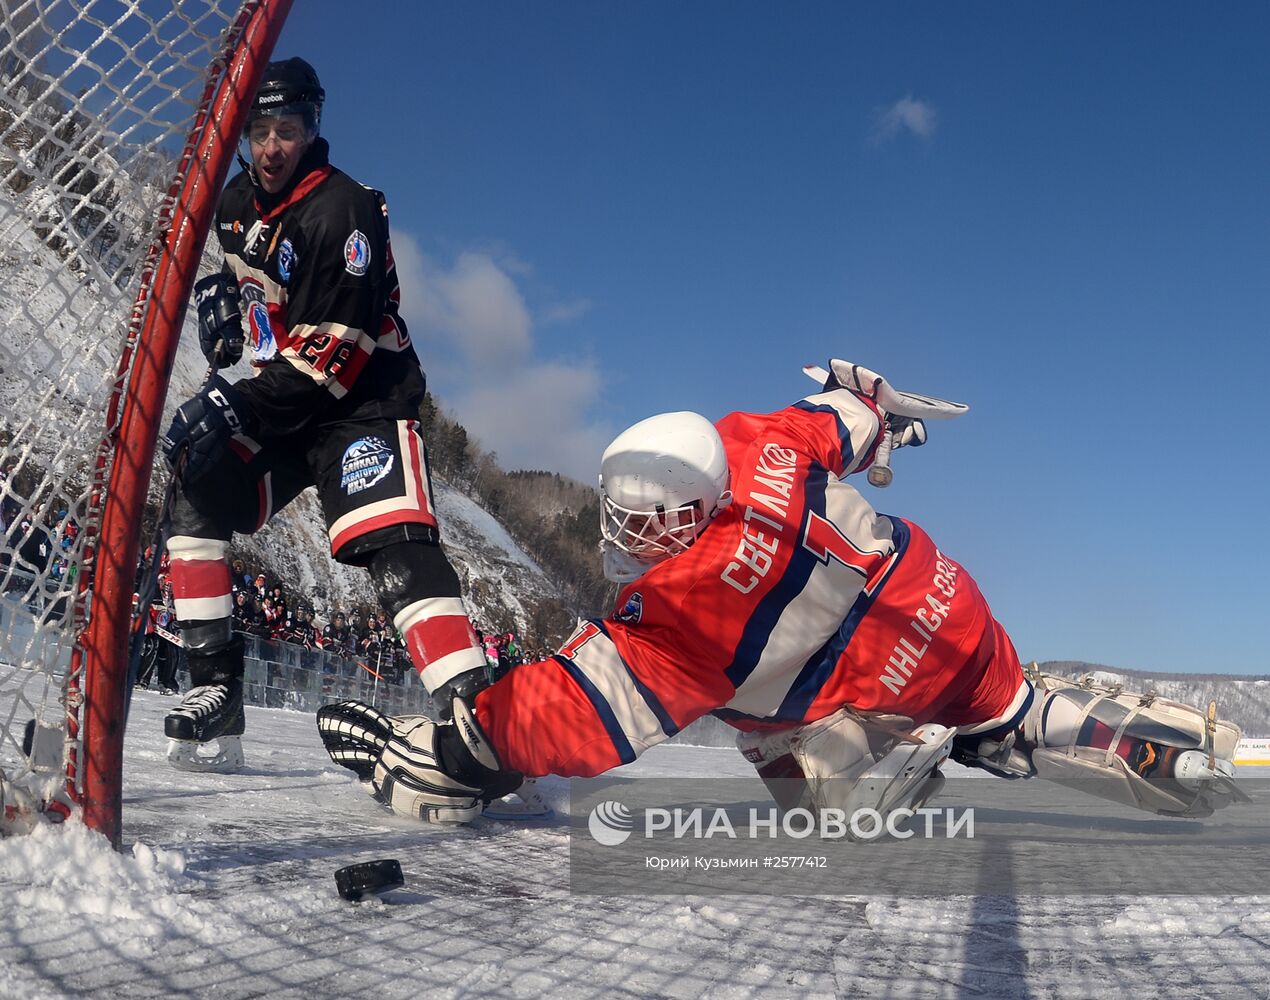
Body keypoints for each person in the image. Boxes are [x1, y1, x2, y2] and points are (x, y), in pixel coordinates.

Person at [317, 359, 1245, 827]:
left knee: (775, 749)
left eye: (647, 524)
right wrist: (883, 418)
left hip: (871, 684)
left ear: (692, 511)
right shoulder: (754, 445)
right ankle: (1170, 750)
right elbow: (839, 418)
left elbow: (573, 714)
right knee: (1011, 704)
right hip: (943, 605)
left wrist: (456, 747)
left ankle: (865, 765)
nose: (628, 539)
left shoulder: (678, 615)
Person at [159, 58, 488, 772]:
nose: (272, 145)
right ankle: (217, 694)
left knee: (391, 548)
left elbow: (335, 350)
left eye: (287, 129)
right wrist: (221, 300)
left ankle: (480, 721)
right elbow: (257, 281)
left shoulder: (346, 210)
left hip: (358, 404)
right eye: (260, 131)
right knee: (194, 488)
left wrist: (232, 398)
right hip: (285, 397)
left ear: (312, 131)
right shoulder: (236, 202)